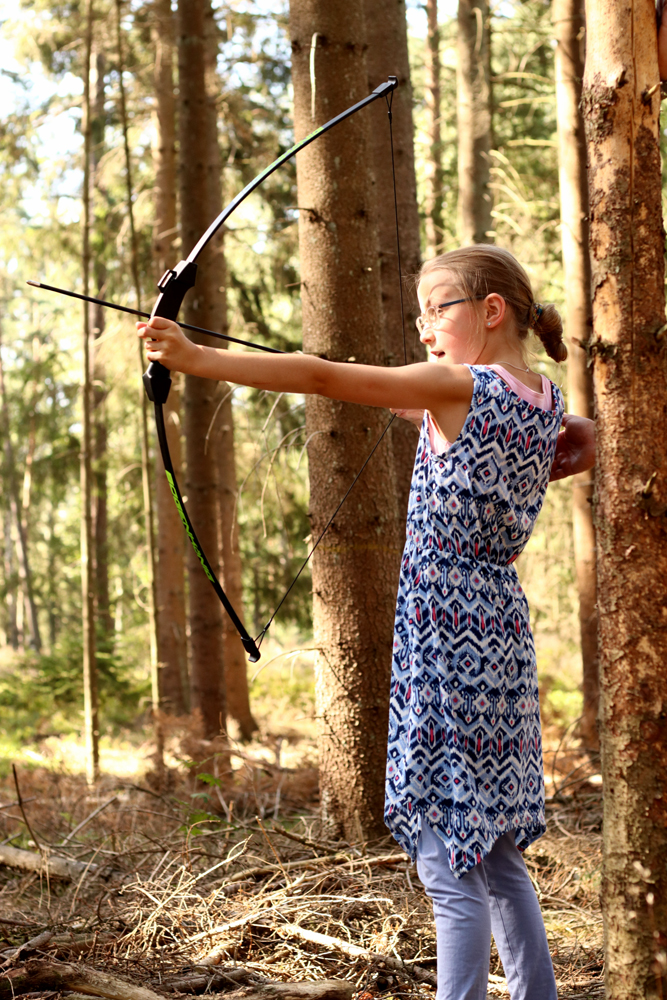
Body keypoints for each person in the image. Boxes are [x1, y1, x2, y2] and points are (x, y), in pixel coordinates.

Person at [139, 244, 595, 1000]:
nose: (422, 329)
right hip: (498, 634)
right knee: (498, 852)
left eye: (436, 309)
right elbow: (388, 395)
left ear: (491, 310)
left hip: (448, 637)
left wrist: (194, 357)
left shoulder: (459, 384)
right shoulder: (541, 400)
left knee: (451, 863)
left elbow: (319, 376)